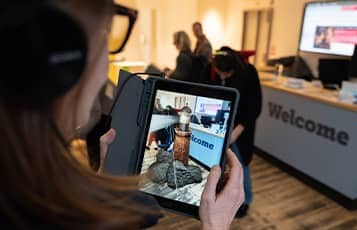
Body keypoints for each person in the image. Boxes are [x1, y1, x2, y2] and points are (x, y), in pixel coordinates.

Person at [0, 1, 244, 229]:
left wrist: (105, 184)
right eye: (105, 37)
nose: (106, 61)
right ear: (64, 62)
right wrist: (216, 225)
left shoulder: (29, 186)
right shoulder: (52, 211)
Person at [201, 47, 262, 217]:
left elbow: (254, 107)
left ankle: (245, 201)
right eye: (219, 73)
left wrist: (235, 133)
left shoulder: (249, 72)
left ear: (234, 69)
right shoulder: (209, 69)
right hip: (216, 127)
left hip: (240, 130)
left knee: (241, 165)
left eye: (226, 75)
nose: (222, 77)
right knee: (217, 165)